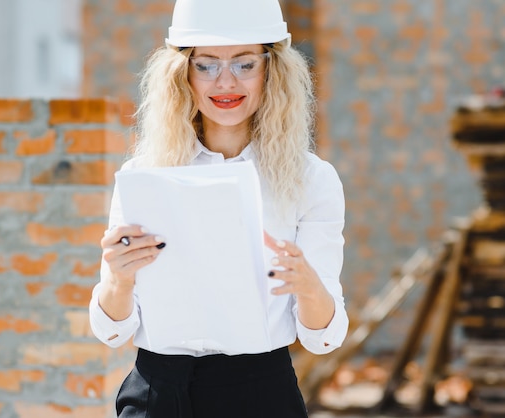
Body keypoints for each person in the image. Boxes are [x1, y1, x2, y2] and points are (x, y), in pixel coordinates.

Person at [89, 0, 349, 416]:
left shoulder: (312, 180)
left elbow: (324, 337)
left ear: (272, 71)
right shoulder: (144, 176)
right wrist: (118, 281)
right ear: (183, 75)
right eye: (206, 64)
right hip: (156, 393)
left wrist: (307, 284)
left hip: (260, 393)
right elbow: (111, 331)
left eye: (245, 64)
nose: (225, 82)